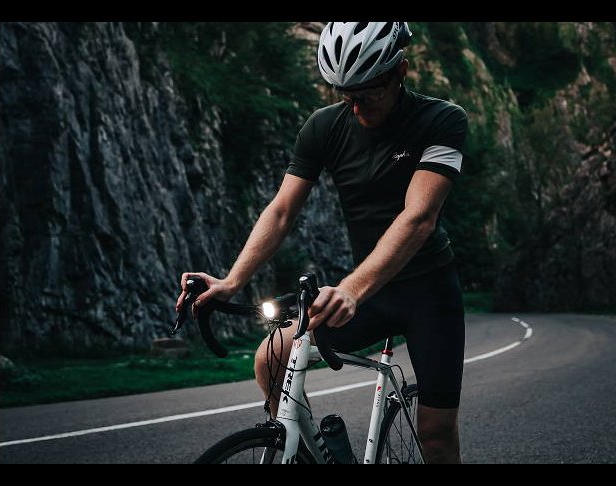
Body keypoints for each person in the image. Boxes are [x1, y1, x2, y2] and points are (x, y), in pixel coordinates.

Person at [176, 22, 468, 463]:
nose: (355, 106)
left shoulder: (442, 120)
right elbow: (281, 211)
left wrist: (350, 290)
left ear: (400, 71)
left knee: (436, 430)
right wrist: (232, 281)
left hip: (429, 293)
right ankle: (306, 453)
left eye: (366, 94)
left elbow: (418, 218)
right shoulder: (324, 126)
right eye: (345, 94)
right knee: (270, 358)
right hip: (367, 294)